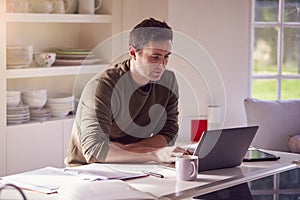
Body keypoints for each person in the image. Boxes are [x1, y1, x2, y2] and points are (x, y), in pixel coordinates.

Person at [65, 18, 183, 166]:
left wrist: (130, 150)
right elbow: (95, 150)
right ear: (133, 53)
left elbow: (169, 131)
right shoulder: (102, 86)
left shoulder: (168, 81)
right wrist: (153, 153)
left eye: (166, 57)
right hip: (89, 170)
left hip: (135, 165)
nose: (162, 64)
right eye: (155, 56)